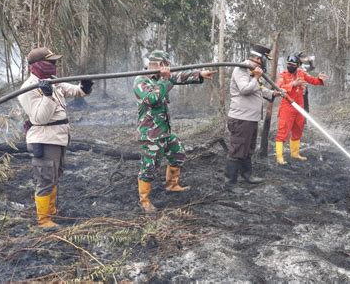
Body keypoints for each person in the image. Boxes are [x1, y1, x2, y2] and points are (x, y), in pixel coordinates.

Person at [17, 47, 94, 228]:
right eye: (50, 62)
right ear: (39, 64)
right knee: (45, 178)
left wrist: (85, 86)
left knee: (54, 175)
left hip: (59, 137)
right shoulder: (29, 88)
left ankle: (50, 211)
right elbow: (39, 118)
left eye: (54, 62)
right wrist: (47, 95)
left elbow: (75, 91)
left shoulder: (52, 81)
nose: (54, 65)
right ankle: (43, 220)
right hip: (44, 139)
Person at [133, 50, 216, 213]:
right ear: (158, 64)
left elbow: (180, 77)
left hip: (165, 131)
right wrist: (164, 80)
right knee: (149, 167)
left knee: (178, 153)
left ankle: (172, 185)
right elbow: (152, 99)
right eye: (165, 64)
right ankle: (144, 200)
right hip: (150, 133)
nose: (167, 68)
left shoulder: (160, 78)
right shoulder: (141, 80)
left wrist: (199, 74)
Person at [226, 44, 281, 194]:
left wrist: (272, 93)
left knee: (248, 148)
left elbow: (259, 89)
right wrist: (256, 77)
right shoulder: (241, 69)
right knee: (237, 150)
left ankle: (247, 175)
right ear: (258, 58)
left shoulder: (252, 71)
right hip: (241, 118)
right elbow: (245, 89)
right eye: (263, 60)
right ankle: (230, 183)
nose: (264, 64)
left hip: (251, 118)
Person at [275, 54, 329, 165]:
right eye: (288, 64)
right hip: (287, 108)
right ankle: (279, 157)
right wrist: (293, 84)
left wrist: (319, 79)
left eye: (293, 65)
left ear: (298, 65)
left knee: (298, 131)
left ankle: (295, 154)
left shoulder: (301, 73)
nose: (290, 66)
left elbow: (313, 80)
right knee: (283, 132)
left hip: (299, 108)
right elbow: (278, 88)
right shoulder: (283, 75)